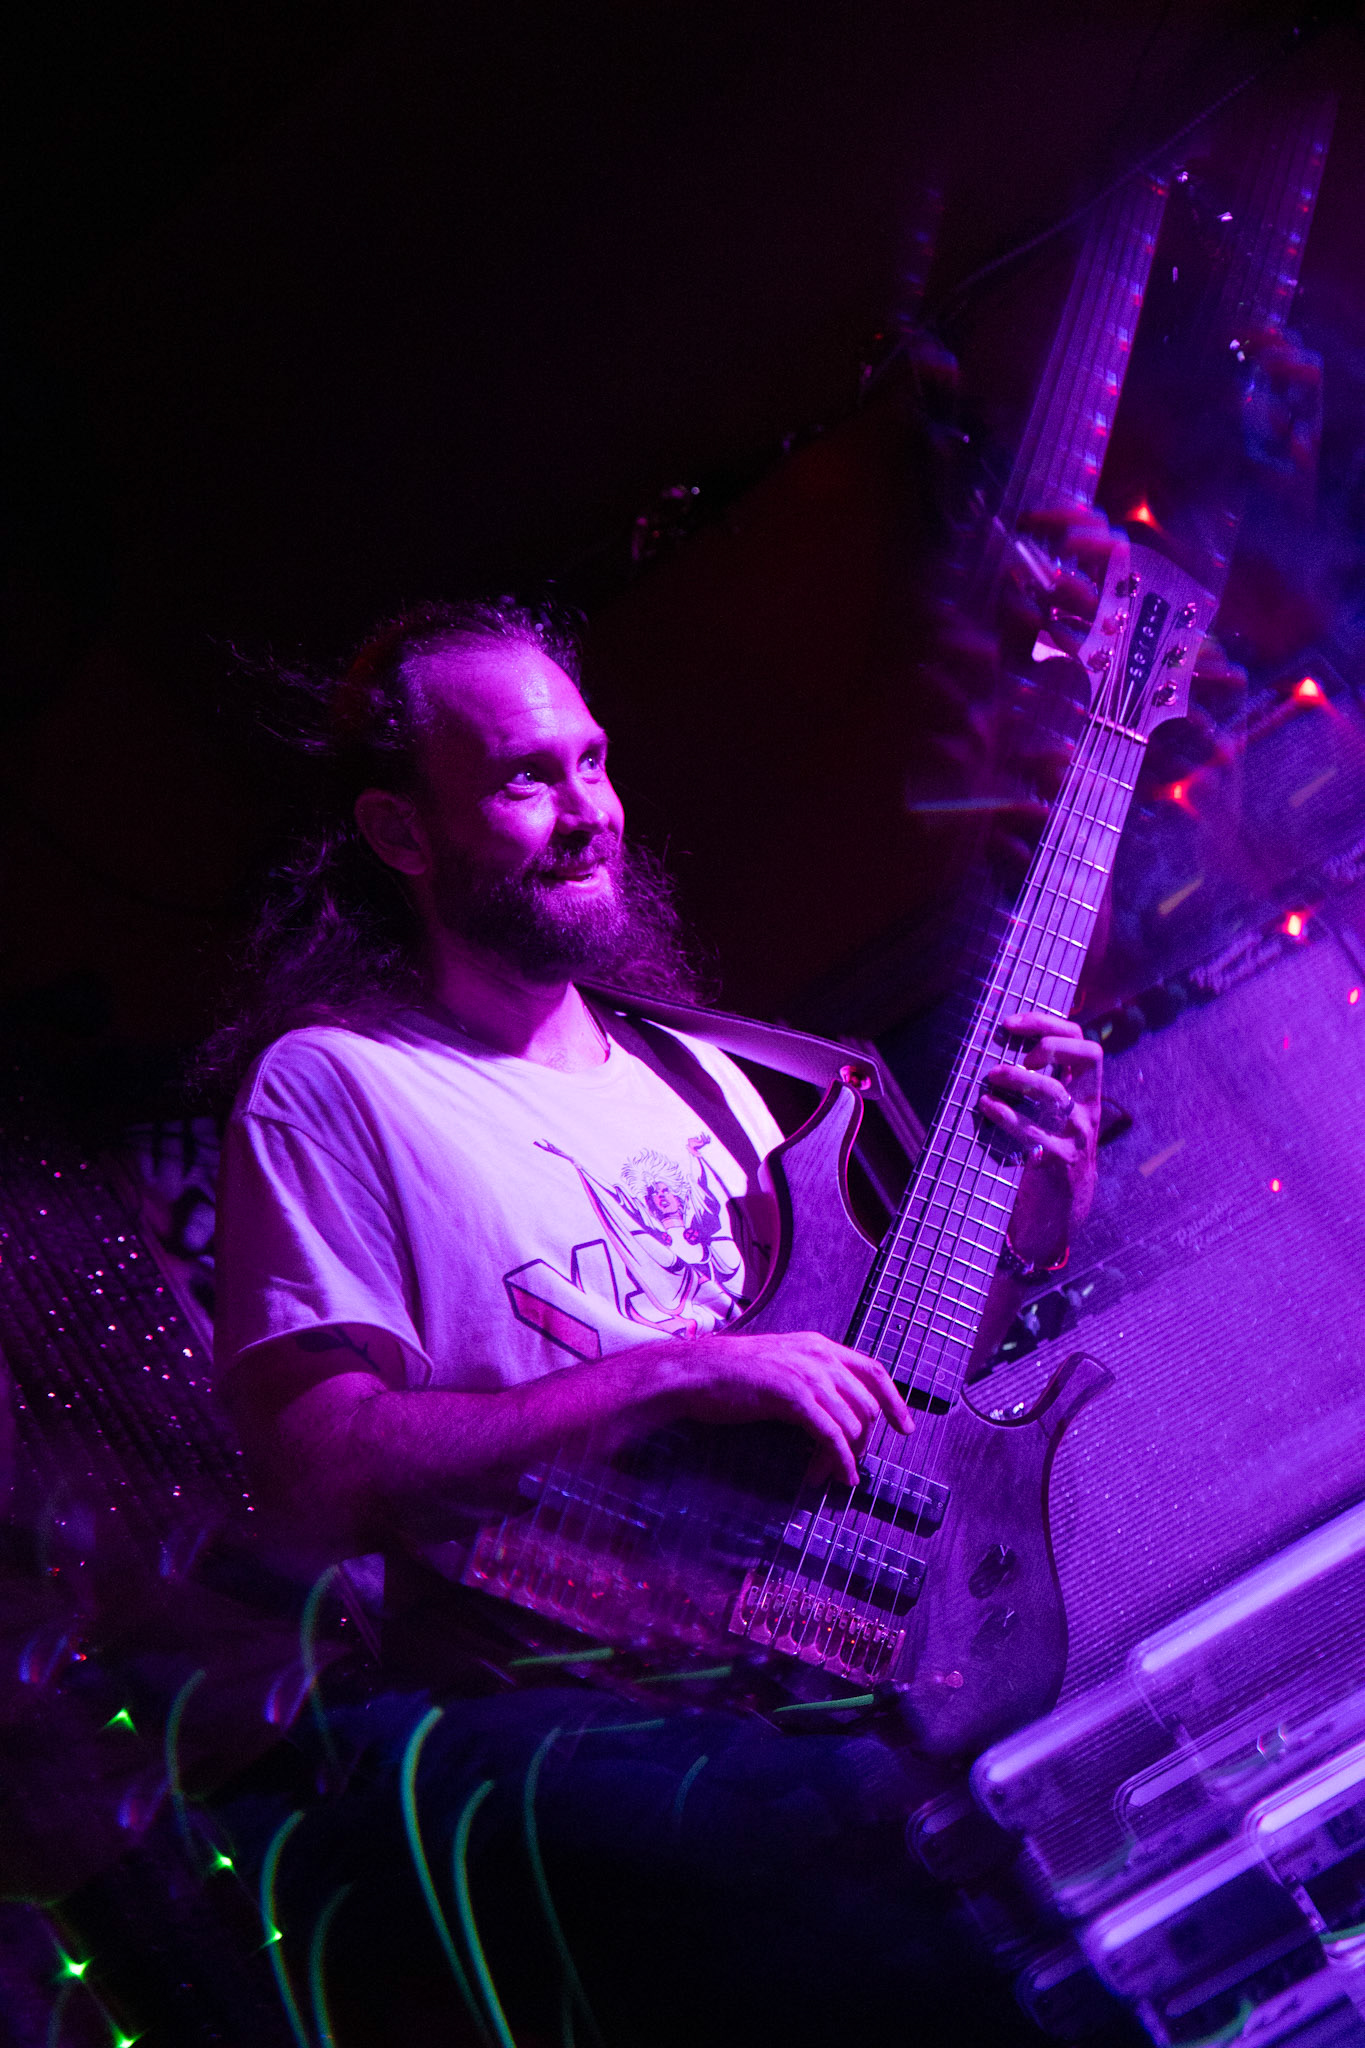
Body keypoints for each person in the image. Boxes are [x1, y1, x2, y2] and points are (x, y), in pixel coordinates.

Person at [206, 600, 1103, 2046]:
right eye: (525, 778)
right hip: (628, 1762)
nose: (588, 813)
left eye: (593, 762)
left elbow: (886, 1401)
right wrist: (676, 1374)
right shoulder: (338, 1087)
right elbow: (318, 1468)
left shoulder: (708, 1073)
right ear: (400, 832)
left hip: (855, 1719)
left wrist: (1036, 1216)